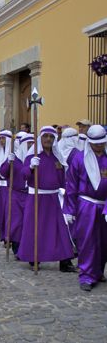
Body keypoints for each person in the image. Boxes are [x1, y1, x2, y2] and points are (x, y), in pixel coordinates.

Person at [17, 126, 75, 272]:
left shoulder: (57, 157)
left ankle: (65, 260)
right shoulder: (33, 156)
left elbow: (62, 177)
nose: (48, 139)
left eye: (51, 137)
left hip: (54, 198)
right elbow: (23, 174)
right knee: (35, 228)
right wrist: (30, 167)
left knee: (60, 229)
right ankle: (33, 256)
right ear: (40, 138)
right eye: (46, 136)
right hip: (37, 197)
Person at [64, 125, 107, 291]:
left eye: (102, 143)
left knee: (103, 242)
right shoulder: (79, 159)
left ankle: (98, 271)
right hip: (86, 205)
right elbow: (71, 185)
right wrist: (69, 209)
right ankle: (86, 275)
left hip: (104, 205)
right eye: (96, 143)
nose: (99, 146)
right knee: (87, 241)